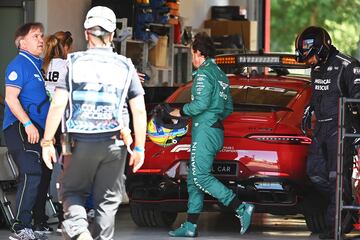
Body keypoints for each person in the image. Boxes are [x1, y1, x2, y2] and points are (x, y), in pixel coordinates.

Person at [40, 6, 147, 240]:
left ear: (86, 32)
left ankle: (79, 231)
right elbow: (138, 109)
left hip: (74, 140)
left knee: (70, 190)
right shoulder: (126, 66)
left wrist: (47, 141)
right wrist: (139, 147)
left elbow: (58, 105)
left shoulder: (73, 63)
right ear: (112, 34)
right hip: (115, 141)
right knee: (107, 200)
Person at [168, 32, 254, 237]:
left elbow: (200, 104)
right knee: (193, 179)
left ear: (199, 53)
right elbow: (228, 108)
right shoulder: (221, 75)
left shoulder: (204, 74)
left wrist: (180, 112)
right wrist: (213, 116)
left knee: (199, 176)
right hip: (214, 130)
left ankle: (241, 207)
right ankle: (190, 226)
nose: (192, 59)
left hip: (205, 131)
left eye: (192, 54)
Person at [295, 26, 360, 239]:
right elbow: (317, 95)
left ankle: (336, 229)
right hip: (321, 128)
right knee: (314, 172)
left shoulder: (348, 66)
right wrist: (309, 109)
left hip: (341, 129)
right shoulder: (316, 68)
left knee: (336, 178)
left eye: (311, 56)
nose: (309, 61)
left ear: (322, 48)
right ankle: (347, 206)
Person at [3, 22, 49, 240]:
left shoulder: (36, 66)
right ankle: (20, 226)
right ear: (22, 42)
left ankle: (35, 224)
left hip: (37, 129)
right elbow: (10, 98)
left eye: (42, 35)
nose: (41, 40)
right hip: (20, 127)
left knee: (39, 174)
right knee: (31, 172)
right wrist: (28, 124)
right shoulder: (19, 64)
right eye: (35, 36)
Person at [32, 30, 74, 235]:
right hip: (62, 127)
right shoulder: (67, 65)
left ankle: (38, 219)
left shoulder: (40, 65)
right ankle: (64, 219)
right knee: (67, 170)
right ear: (65, 47)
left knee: (44, 174)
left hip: (41, 124)